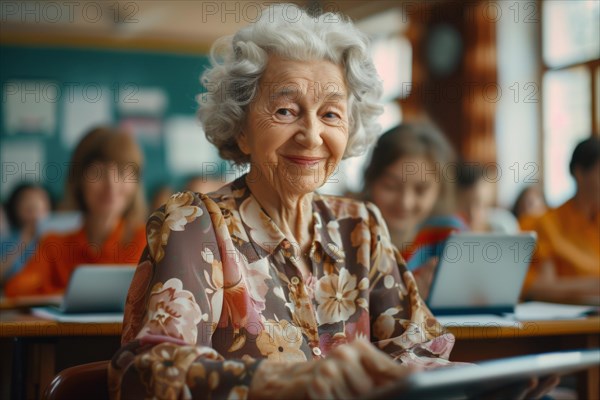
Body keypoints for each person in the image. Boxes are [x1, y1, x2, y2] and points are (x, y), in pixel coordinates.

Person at [109, 5, 557, 399]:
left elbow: (414, 350)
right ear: (241, 129)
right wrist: (291, 382)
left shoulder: (361, 226)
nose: (311, 135)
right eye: (285, 111)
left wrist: (476, 382)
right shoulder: (195, 224)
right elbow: (148, 373)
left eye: (330, 114)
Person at [4, 127, 147, 297]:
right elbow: (15, 289)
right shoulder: (54, 245)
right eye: (98, 172)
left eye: (123, 172)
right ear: (79, 180)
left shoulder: (150, 242)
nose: (112, 185)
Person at [363, 124, 467, 297]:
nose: (405, 202)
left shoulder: (449, 234)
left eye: (420, 190)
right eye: (391, 186)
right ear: (370, 181)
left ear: (439, 190)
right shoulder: (348, 235)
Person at [523, 137, 600, 304]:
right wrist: (593, 284)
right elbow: (539, 289)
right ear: (579, 173)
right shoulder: (549, 224)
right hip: (569, 321)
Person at [0, 183, 51, 284]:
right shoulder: (6, 240)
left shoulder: (55, 237)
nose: (33, 204)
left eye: (39, 200)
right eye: (27, 200)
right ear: (15, 207)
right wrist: (22, 244)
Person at [456, 162, 519, 233]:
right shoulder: (450, 230)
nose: (472, 214)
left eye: (480, 204)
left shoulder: (504, 226)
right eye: (465, 206)